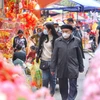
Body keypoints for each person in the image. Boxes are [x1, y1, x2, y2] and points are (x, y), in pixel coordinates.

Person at [50, 24, 84, 100]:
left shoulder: (77, 40)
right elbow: (54, 56)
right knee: (63, 87)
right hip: (61, 67)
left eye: (66, 31)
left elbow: (79, 55)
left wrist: (81, 67)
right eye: (63, 31)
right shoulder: (57, 41)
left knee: (73, 86)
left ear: (71, 31)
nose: (64, 33)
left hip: (73, 67)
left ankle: (71, 98)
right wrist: (52, 68)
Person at [37, 23, 58, 96]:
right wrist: (37, 56)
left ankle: (51, 94)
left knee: (53, 79)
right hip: (44, 61)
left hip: (53, 62)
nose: (44, 30)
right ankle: (45, 94)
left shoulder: (56, 38)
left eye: (45, 28)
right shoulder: (43, 37)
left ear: (50, 29)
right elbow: (39, 47)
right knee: (45, 79)